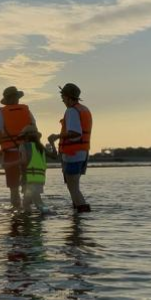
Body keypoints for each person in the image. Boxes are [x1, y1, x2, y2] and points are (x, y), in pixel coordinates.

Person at [48, 83, 92, 213]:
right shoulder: (84, 109)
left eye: (63, 97)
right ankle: (77, 217)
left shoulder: (72, 111)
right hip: (82, 153)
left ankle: (83, 215)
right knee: (74, 187)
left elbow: (75, 133)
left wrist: (56, 136)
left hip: (72, 153)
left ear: (67, 97)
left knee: (73, 188)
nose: (62, 100)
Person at [0, 86, 37, 208]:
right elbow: (34, 129)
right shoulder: (27, 111)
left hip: (10, 152)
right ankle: (27, 211)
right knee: (28, 185)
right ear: (17, 98)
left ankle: (16, 212)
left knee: (14, 188)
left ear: (6, 100)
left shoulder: (0, 113)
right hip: (28, 151)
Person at [19, 124, 48, 212]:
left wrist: (10, 164)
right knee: (37, 201)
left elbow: (24, 161)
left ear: (25, 136)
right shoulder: (40, 147)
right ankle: (46, 214)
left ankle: (28, 217)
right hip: (40, 179)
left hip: (29, 180)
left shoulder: (24, 146)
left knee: (26, 203)